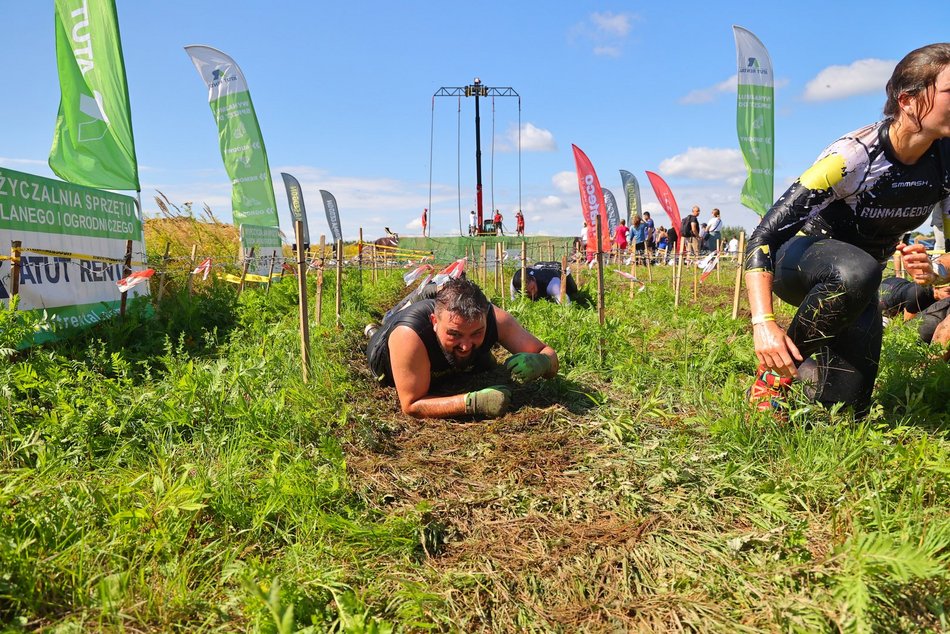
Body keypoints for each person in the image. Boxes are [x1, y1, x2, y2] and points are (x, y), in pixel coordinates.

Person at [745, 43, 950, 415]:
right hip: (802, 260)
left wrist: (933, 272)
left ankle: (810, 364)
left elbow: (947, 258)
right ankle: (773, 374)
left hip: (864, 280)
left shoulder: (947, 159)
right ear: (908, 101)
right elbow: (764, 237)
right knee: (857, 271)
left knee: (845, 409)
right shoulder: (854, 156)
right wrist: (764, 323)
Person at [366, 277, 559, 419]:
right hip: (384, 352)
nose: (466, 345)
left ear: (485, 317)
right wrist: (471, 403)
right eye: (454, 334)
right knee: (383, 333)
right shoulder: (409, 336)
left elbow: (547, 352)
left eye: (476, 332)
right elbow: (411, 404)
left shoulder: (497, 319)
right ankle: (373, 330)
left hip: (443, 357)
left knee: (483, 362)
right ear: (434, 322)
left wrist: (543, 362)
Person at [510, 262, 578, 304]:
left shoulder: (552, 284)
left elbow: (564, 300)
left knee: (573, 292)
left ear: (534, 279)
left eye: (533, 288)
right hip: (539, 266)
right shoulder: (515, 283)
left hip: (557, 270)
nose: (533, 293)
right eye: (528, 292)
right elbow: (513, 300)